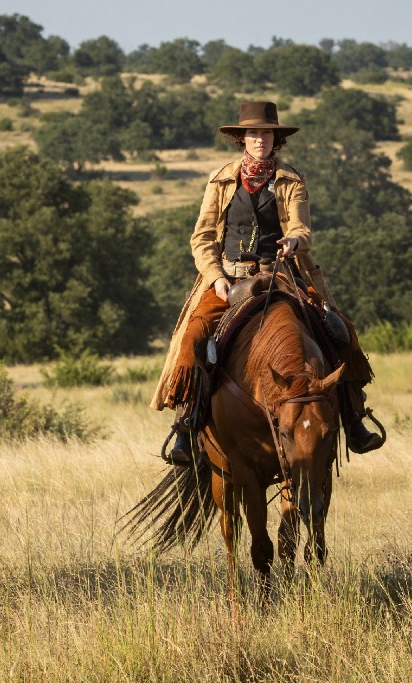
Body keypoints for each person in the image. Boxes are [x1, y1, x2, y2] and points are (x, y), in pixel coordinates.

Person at [150, 101, 384, 463]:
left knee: (341, 331)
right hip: (229, 278)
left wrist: (294, 242)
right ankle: (187, 425)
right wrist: (215, 278)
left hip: (282, 275)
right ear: (242, 138)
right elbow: (202, 238)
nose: (260, 139)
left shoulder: (292, 179)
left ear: (277, 138)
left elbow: (301, 229)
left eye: (267, 132)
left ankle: (355, 420)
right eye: (254, 133)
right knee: (194, 337)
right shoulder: (220, 179)